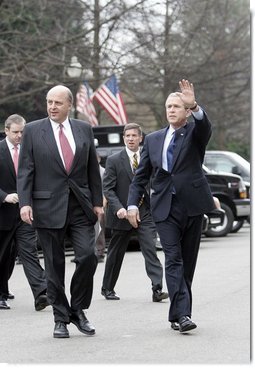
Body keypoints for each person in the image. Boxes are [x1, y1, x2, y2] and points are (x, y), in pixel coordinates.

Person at [127, 80, 216, 333]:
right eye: (169, 106)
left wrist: (195, 105)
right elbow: (141, 176)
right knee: (173, 260)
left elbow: (205, 127)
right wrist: (132, 204)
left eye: (177, 106)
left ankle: (176, 314)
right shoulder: (153, 140)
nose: (172, 110)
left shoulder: (194, 134)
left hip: (192, 205)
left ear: (186, 111)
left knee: (187, 263)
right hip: (164, 207)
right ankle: (184, 315)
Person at [17, 85, 104, 338]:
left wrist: (97, 201)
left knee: (88, 256)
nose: (52, 107)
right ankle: (60, 318)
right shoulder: (33, 131)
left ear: (69, 105)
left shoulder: (84, 129)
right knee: (54, 266)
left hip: (80, 205)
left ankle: (78, 309)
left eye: (57, 103)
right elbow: (25, 170)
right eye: (49, 102)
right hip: (47, 206)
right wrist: (25, 203)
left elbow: (91, 168)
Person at [101, 122, 168, 302]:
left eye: (133, 136)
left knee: (150, 249)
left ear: (141, 138)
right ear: (124, 138)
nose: (130, 139)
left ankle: (157, 288)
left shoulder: (149, 158)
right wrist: (119, 209)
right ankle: (107, 288)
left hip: (145, 211)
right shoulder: (114, 160)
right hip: (121, 214)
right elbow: (108, 189)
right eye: (127, 136)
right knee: (116, 253)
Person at [0, 114, 48, 311]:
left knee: (29, 253)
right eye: (16, 132)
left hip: (24, 213)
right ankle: (1, 292)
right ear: (6, 131)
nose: (20, 136)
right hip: (2, 213)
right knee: (3, 257)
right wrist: (4, 196)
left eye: (22, 132)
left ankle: (41, 293)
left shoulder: (31, 150)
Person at [95, 154, 107, 263]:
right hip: (90, 204)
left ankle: (100, 252)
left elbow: (106, 189)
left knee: (100, 228)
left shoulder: (103, 171)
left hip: (100, 203)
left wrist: (103, 205)